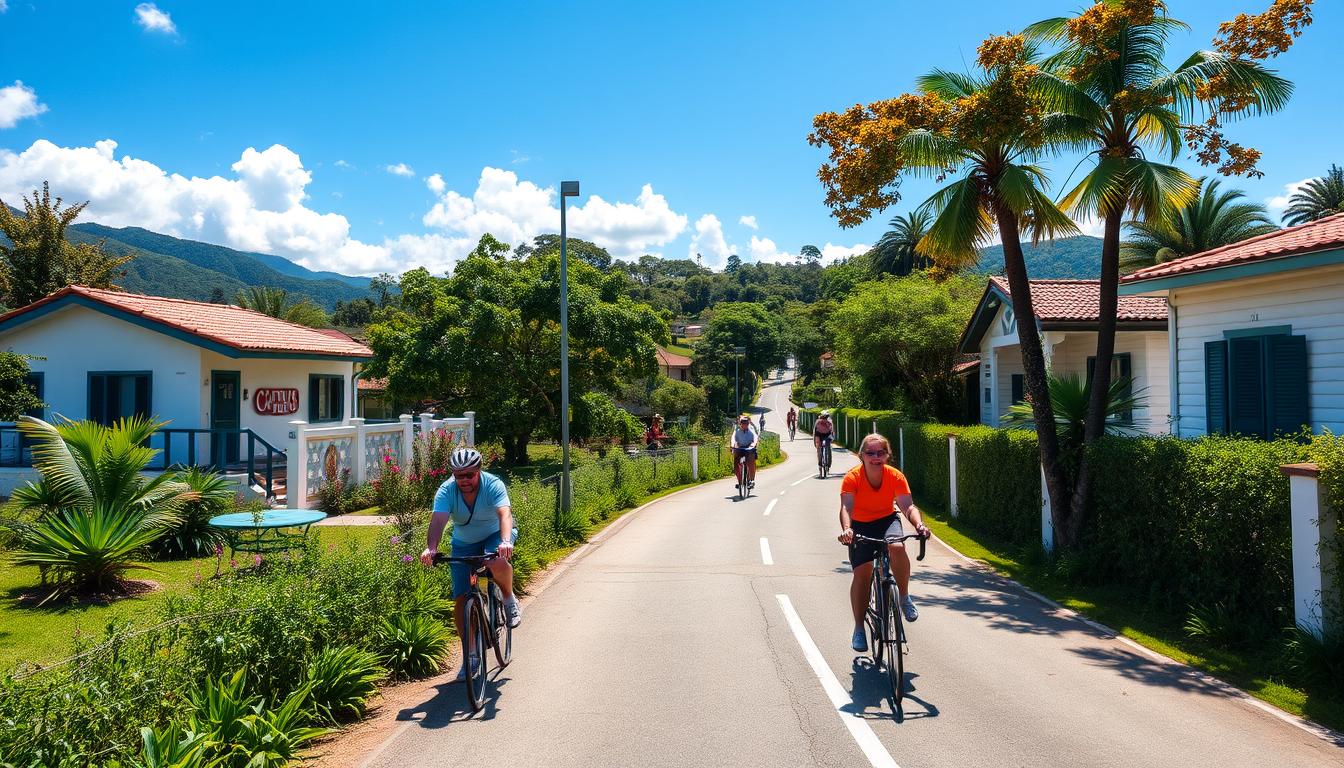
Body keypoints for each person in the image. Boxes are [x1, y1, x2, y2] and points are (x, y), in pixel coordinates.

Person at [420, 447, 521, 681]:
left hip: (495, 535)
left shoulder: (493, 484)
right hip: (464, 543)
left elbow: (504, 514)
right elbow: (438, 520)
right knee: (461, 599)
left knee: (495, 559)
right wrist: (432, 548)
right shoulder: (446, 490)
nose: (464, 480)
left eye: (469, 475)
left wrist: (506, 541)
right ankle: (471, 655)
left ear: (479, 470)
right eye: (458, 475)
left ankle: (508, 597)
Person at [836, 434, 930, 652]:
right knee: (862, 574)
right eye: (870, 453)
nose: (876, 457)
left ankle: (904, 598)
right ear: (862, 456)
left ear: (887, 455)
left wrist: (919, 526)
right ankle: (859, 628)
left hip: (887, 520)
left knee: (897, 546)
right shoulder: (853, 477)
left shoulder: (895, 476)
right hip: (860, 524)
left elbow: (907, 506)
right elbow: (846, 508)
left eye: (881, 453)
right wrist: (847, 529)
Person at [730, 413, 759, 488]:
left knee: (751, 461)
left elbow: (755, 438)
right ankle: (740, 482)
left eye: (746, 424)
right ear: (740, 424)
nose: (744, 425)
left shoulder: (751, 430)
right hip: (740, 448)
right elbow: (733, 438)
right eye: (742, 424)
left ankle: (752, 480)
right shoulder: (737, 430)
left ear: (748, 424)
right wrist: (733, 445)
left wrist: (753, 444)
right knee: (736, 463)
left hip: (749, 448)